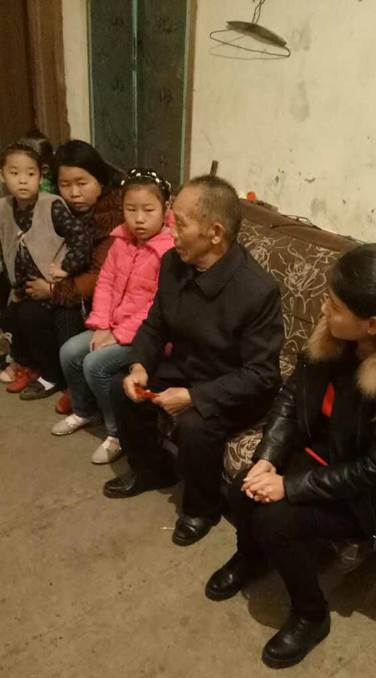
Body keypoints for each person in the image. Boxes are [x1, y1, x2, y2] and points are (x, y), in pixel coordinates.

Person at [205, 243, 376, 669]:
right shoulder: (334, 338)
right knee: (245, 487)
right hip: (324, 452)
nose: (322, 309)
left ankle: (311, 615)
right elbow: (291, 397)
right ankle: (252, 558)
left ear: (372, 324)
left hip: (373, 491)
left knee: (275, 520)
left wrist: (288, 485)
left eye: (334, 306)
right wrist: (267, 458)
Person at [105, 174, 284, 547]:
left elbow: (261, 374)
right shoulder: (174, 262)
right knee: (123, 387)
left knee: (195, 425)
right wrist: (140, 364)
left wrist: (194, 397)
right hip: (188, 366)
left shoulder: (256, 290)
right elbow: (155, 324)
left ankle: (202, 509)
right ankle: (152, 470)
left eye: (180, 224)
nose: (171, 232)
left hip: (232, 385)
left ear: (215, 232)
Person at [51, 168, 174, 465]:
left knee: (95, 364)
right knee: (69, 352)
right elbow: (105, 283)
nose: (139, 219)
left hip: (147, 336)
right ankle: (83, 410)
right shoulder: (120, 242)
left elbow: (157, 307)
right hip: (113, 325)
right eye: (131, 209)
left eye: (148, 210)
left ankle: (117, 432)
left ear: (165, 209)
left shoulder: (169, 251)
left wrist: (118, 334)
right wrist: (102, 324)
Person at [1, 140, 123, 402]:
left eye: (82, 183)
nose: (74, 193)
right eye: (65, 185)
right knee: (21, 306)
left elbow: (99, 276)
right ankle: (30, 363)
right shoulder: (55, 208)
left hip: (95, 302)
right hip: (59, 285)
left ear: (100, 180)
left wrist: (54, 290)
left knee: (56, 314)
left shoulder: (114, 217)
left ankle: (68, 383)